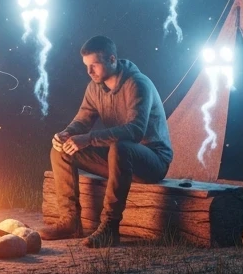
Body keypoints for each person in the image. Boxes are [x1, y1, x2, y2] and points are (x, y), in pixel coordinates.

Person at [40, 35, 173, 248]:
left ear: (112, 59)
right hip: (118, 157)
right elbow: (82, 121)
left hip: (152, 161)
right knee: (62, 151)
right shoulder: (95, 87)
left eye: (94, 65)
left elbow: (136, 131)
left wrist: (90, 138)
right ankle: (70, 222)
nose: (89, 72)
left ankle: (110, 228)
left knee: (121, 147)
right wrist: (66, 134)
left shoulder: (138, 84)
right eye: (86, 66)